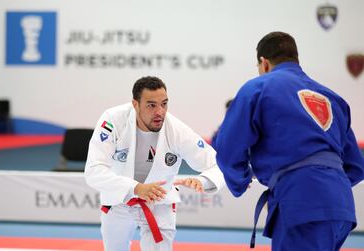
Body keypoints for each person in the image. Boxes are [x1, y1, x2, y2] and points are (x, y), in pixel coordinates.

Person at [215, 31, 364, 251]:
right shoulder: (332, 98)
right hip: (341, 206)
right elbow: (356, 166)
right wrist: (325, 185)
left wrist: (240, 181)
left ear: (264, 63)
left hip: (300, 201)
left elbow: (228, 147)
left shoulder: (259, 87)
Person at [84, 76, 225, 251]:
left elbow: (218, 164)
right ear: (135, 105)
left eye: (164, 104)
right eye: (151, 105)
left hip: (159, 202)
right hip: (119, 199)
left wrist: (203, 181)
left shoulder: (176, 130)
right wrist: (136, 188)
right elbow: (93, 171)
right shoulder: (113, 120)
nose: (160, 112)